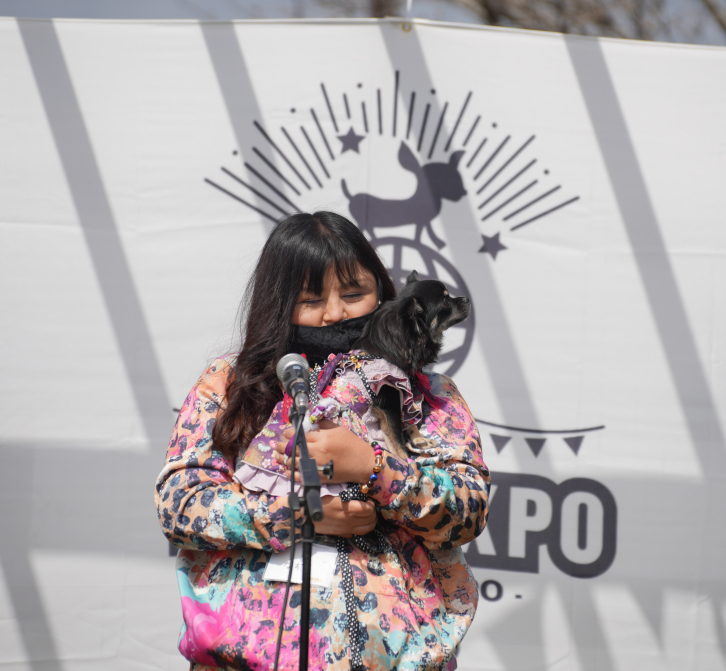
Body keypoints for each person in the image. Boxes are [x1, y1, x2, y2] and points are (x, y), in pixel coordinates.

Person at [155, 211, 490, 671]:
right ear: (278, 303)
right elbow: (179, 504)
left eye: (354, 294)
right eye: (310, 299)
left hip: (397, 658)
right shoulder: (230, 383)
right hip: (243, 658)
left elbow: (468, 510)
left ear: (383, 292)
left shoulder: (426, 394)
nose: (335, 313)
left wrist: (375, 468)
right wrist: (294, 515)